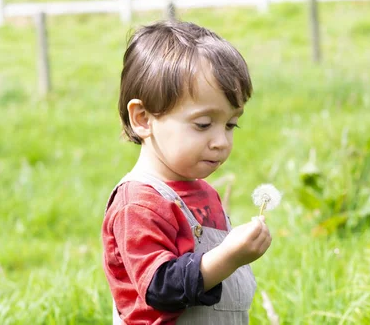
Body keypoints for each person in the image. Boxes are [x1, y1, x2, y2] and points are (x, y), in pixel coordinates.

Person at [101, 20, 272, 324]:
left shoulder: (203, 192)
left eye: (231, 124)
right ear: (143, 119)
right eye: (203, 125)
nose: (221, 142)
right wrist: (228, 257)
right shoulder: (138, 203)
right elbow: (160, 287)